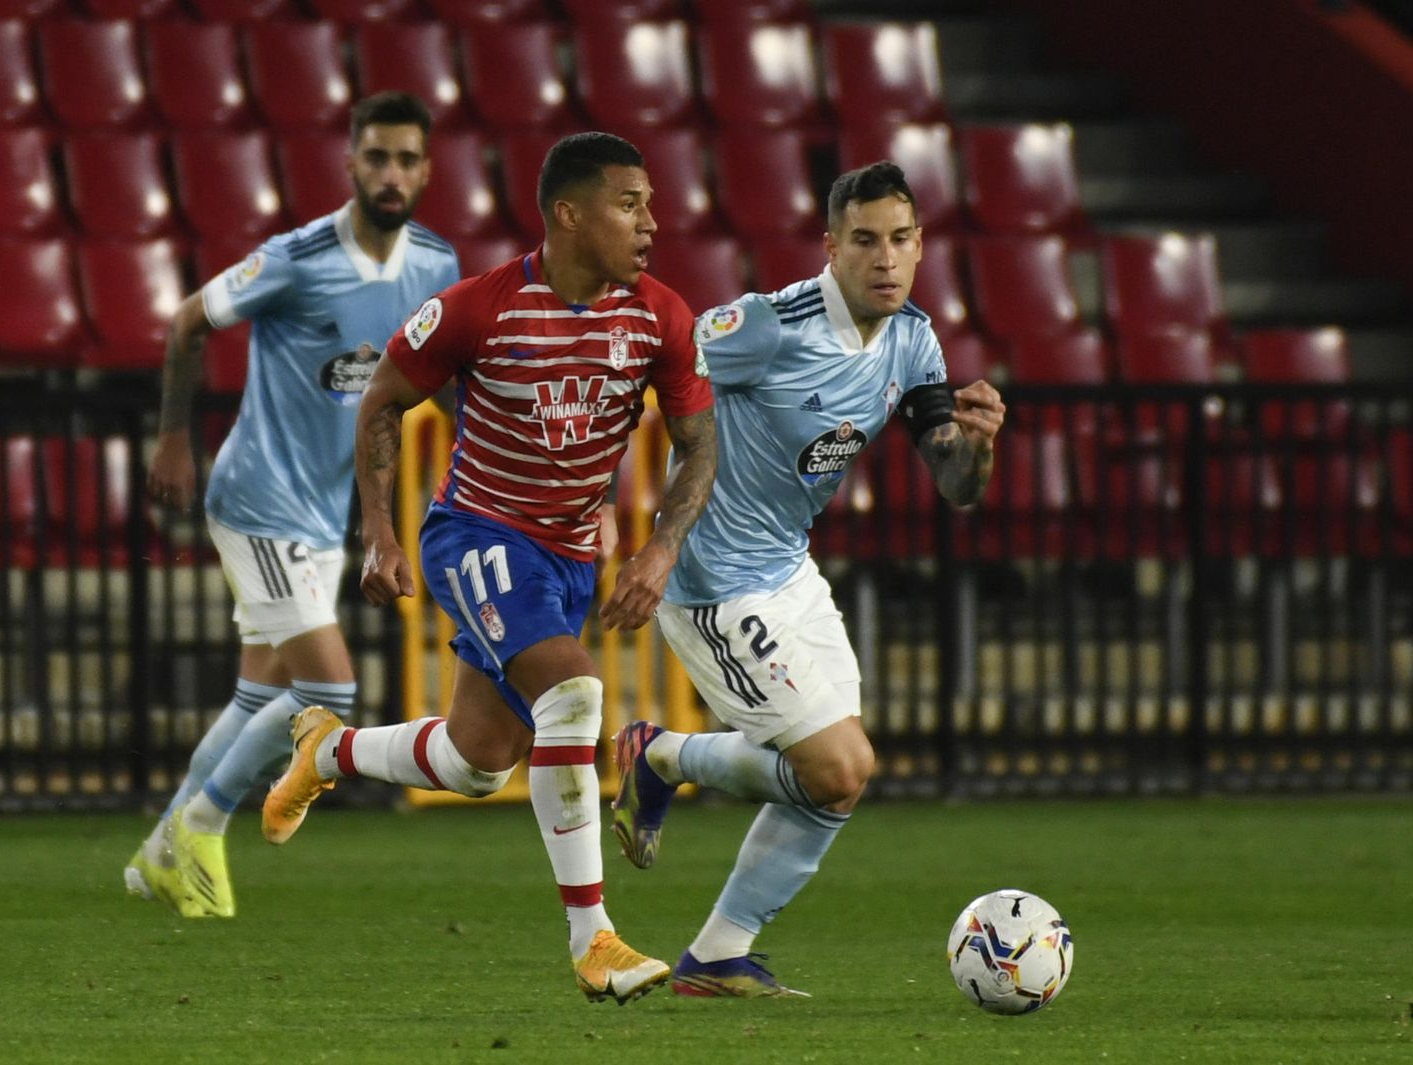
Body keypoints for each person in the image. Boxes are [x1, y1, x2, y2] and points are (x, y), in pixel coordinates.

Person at [262, 132, 718, 1003]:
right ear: (569, 214)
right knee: (577, 696)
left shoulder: (660, 315)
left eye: (651, 204)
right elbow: (384, 398)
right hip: (478, 535)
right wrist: (380, 535)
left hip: (569, 558)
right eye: (631, 204)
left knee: (479, 760)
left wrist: (661, 547)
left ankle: (326, 752)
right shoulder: (481, 307)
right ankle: (596, 941)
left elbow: (700, 444)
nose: (652, 223)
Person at [609, 162, 1005, 996]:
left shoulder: (913, 339)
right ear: (832, 247)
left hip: (789, 568)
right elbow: (655, 366)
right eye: (865, 241)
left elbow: (954, 483)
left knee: (839, 778)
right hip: (714, 577)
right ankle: (662, 754)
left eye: (901, 240)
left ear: (921, 244)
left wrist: (977, 447)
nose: (886, 260)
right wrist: (647, 531)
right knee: (834, 765)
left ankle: (716, 953)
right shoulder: (768, 325)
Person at [124, 91, 459, 919]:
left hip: (323, 512)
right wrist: (174, 439)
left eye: (406, 159)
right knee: (330, 694)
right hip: (257, 498)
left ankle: (157, 850)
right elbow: (186, 322)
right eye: (376, 157)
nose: (391, 174)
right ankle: (200, 830)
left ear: (427, 169)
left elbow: (441, 381)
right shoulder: (297, 256)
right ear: (349, 161)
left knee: (256, 697)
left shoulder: (435, 266)